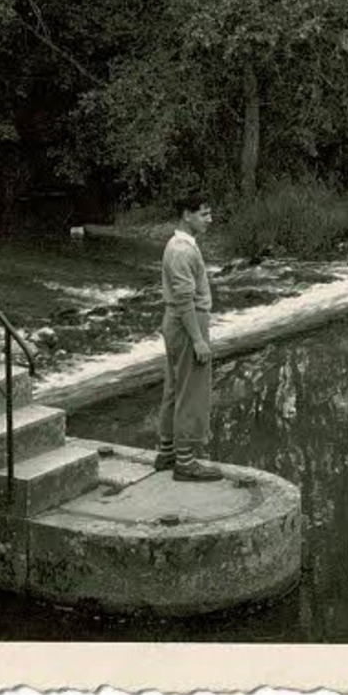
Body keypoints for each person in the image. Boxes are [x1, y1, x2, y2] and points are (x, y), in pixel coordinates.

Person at [154, 195, 227, 481]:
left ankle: (167, 451)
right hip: (187, 323)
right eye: (204, 214)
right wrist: (198, 339)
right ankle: (185, 462)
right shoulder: (183, 251)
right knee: (192, 392)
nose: (209, 219)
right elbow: (185, 300)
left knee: (174, 388)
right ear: (187, 215)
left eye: (210, 213)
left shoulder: (177, 246)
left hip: (175, 322)